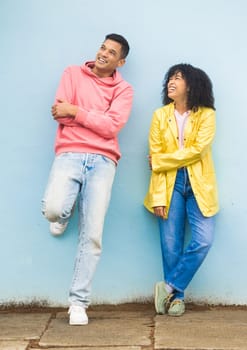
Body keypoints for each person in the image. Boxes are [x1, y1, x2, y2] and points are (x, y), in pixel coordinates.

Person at [42, 33, 133, 325]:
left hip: (104, 161)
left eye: (112, 52)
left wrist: (76, 111)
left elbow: (111, 127)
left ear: (121, 61)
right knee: (53, 209)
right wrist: (87, 116)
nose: (104, 53)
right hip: (69, 153)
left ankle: (78, 303)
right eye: (102, 47)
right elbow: (60, 113)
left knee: (93, 234)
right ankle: (64, 213)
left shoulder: (124, 90)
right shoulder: (72, 73)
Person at [144, 63, 219, 317]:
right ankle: (176, 300)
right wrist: (157, 196)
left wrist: (162, 160)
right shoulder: (159, 115)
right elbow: (154, 156)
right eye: (170, 78)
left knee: (203, 240)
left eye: (178, 78)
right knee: (170, 244)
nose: (171, 82)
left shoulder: (207, 114)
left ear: (192, 84)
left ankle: (168, 287)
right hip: (169, 184)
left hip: (199, 183)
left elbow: (198, 150)